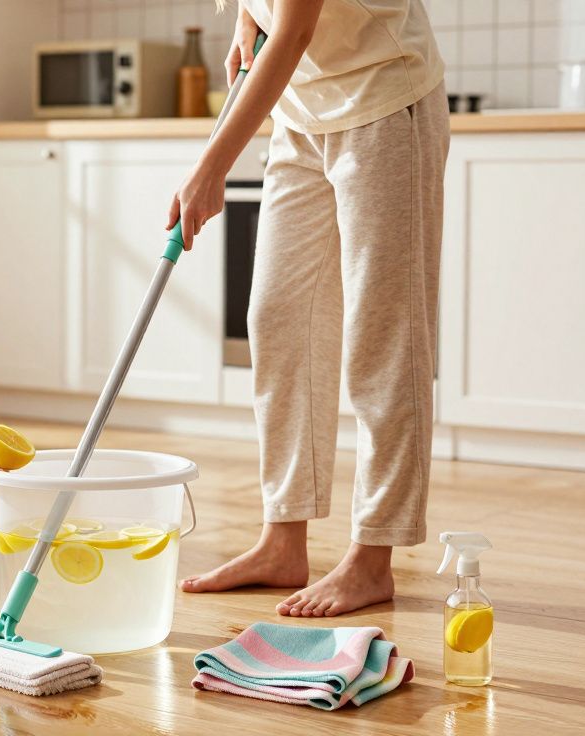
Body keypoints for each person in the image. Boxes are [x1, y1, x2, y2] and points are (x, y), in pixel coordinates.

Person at [172, 0, 449, 616]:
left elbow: (295, 29)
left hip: (383, 101)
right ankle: (282, 541)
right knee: (278, 319)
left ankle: (373, 557)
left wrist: (211, 166)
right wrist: (246, 23)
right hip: (299, 116)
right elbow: (267, 11)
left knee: (385, 335)